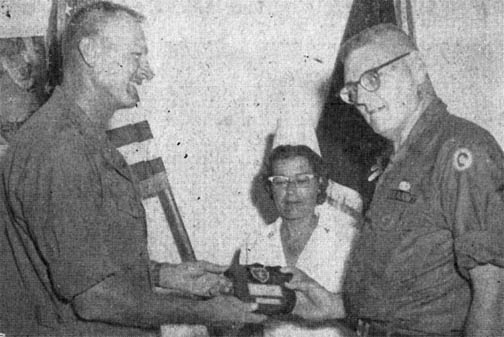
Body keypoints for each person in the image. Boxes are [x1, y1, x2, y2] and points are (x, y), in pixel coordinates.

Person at [0, 2, 265, 336]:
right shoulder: (62, 149)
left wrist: (164, 275)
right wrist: (205, 312)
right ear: (90, 51)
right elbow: (93, 299)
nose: (147, 71)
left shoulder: (76, 137)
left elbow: (80, 262)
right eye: (137, 55)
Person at [291, 23, 504, 336]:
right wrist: (335, 305)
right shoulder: (398, 161)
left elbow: (494, 291)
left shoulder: (459, 148)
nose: (361, 99)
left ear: (416, 68)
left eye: (372, 79)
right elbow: (410, 289)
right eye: (352, 90)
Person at [242, 140, 359, 337]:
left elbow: (369, 315)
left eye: (302, 180)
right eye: (280, 181)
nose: (291, 191)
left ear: (320, 183)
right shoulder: (255, 244)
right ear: (270, 188)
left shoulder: (349, 241)